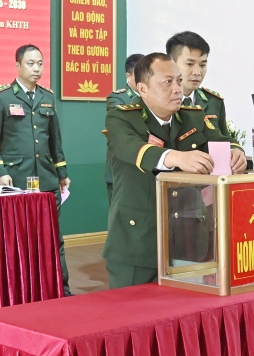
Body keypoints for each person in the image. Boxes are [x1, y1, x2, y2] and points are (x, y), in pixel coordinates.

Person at [102, 53, 246, 289]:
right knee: (132, 308)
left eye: (179, 81)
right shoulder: (122, 117)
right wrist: (177, 157)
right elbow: (130, 148)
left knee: (187, 307)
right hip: (139, 240)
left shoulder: (192, 117)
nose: (178, 89)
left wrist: (235, 151)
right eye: (167, 82)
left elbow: (222, 139)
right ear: (143, 88)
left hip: (188, 240)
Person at [0, 44, 72, 292]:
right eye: (30, 64)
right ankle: (21, 291)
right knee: (18, 238)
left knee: (53, 237)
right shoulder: (1, 97)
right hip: (17, 180)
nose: (36, 69)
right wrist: (0, 172)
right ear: (17, 66)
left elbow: (55, 140)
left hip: (47, 179)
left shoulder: (47, 97)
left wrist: (62, 173)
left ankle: (60, 288)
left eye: (40, 63)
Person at [165, 30, 246, 170]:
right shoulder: (158, 100)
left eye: (202, 65)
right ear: (171, 64)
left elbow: (223, 139)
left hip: (206, 179)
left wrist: (235, 151)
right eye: (189, 64)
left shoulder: (214, 102)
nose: (197, 72)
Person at [104, 53, 143, 207]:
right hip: (122, 170)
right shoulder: (116, 98)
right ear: (128, 76)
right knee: (121, 216)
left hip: (146, 168)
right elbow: (126, 124)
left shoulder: (157, 97)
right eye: (140, 75)